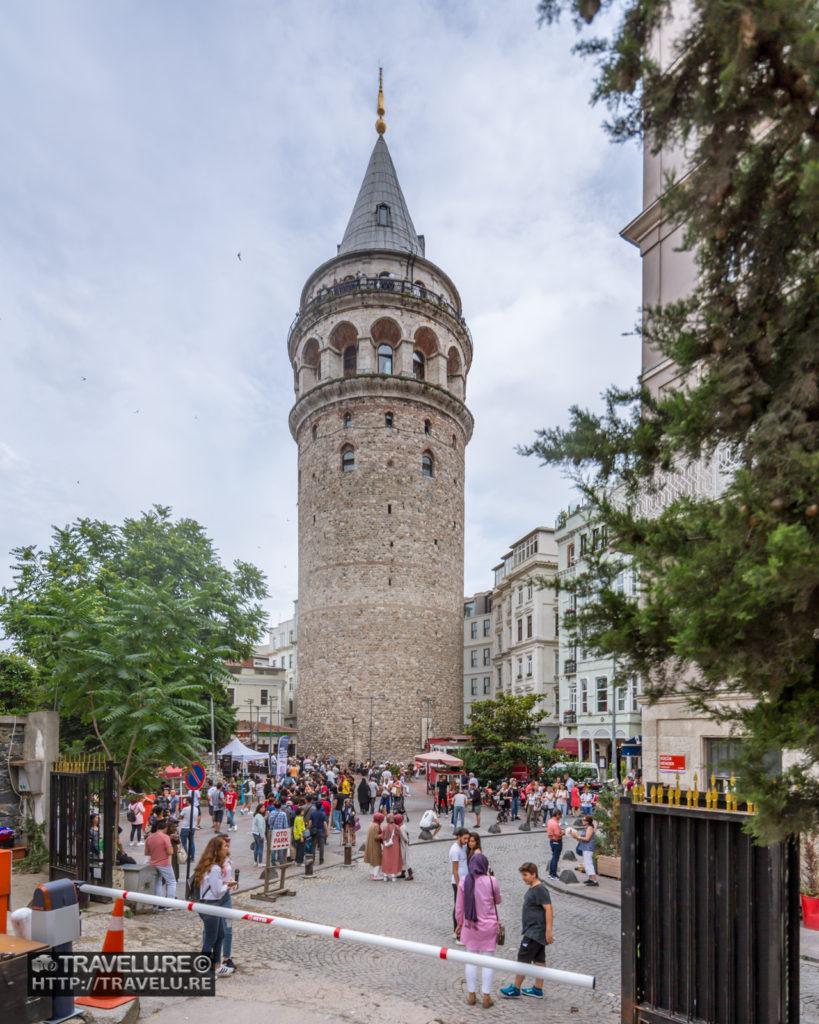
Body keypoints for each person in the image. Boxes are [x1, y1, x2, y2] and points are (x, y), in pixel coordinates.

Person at [500, 862, 554, 999]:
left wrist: (548, 931)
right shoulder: (533, 888)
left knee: (523, 958)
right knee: (539, 960)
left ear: (533, 874)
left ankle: (516, 988)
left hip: (534, 932)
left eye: (525, 875)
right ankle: (537, 989)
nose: (523, 878)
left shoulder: (540, 889)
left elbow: (548, 908)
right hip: (534, 931)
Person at [455, 852, 502, 1008]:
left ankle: (471, 994)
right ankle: (486, 996)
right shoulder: (491, 881)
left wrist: (459, 924)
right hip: (489, 926)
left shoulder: (464, 881)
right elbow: (498, 900)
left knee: (471, 960)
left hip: (471, 926)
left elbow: (459, 907)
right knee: (488, 962)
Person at [193, 836, 237, 976]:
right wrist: (228, 887)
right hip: (211, 904)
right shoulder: (215, 868)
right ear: (217, 850)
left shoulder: (213, 866)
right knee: (211, 938)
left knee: (220, 934)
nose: (226, 848)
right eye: (224, 846)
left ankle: (217, 965)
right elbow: (217, 891)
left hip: (212, 904)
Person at [145, 819, 176, 902]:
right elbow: (170, 852)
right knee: (171, 882)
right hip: (164, 863)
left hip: (153, 862)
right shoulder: (165, 837)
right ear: (165, 829)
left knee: (158, 883)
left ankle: (158, 903)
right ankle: (171, 903)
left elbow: (146, 853)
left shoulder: (149, 837)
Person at [449, 827, 470, 937]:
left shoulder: (463, 847)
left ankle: (461, 930)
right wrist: (459, 886)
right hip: (458, 883)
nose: (466, 841)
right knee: (458, 908)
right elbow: (455, 871)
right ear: (459, 837)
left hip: (465, 881)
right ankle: (456, 932)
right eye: (465, 838)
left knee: (462, 907)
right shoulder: (455, 850)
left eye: (467, 838)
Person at [568, 814, 599, 886]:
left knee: (589, 863)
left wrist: (577, 836)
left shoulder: (589, 828)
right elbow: (594, 830)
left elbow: (587, 838)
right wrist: (574, 836)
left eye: (584, 820)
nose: (582, 821)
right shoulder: (588, 827)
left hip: (588, 848)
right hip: (586, 848)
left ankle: (594, 881)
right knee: (587, 863)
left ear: (587, 822)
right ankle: (591, 878)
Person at [267, 800, 289, 866]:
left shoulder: (272, 813)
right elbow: (285, 825)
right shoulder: (283, 814)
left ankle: (273, 862)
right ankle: (281, 861)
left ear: (274, 806)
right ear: (281, 806)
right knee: (281, 847)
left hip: (273, 831)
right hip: (281, 832)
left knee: (273, 847)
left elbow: (269, 823)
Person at [380, 813, 401, 881]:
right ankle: (393, 875)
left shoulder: (385, 827)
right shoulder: (397, 827)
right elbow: (399, 837)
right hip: (395, 846)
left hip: (387, 846)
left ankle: (385, 875)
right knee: (394, 860)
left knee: (386, 860)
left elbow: (383, 837)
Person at [308, 798, 329, 865]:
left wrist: (309, 828)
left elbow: (310, 822)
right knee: (321, 846)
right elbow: (325, 823)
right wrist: (326, 831)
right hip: (321, 831)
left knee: (313, 847)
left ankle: (312, 860)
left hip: (314, 831)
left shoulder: (312, 813)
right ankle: (321, 859)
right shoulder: (323, 814)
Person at [364, 812, 384, 880]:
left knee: (372, 860)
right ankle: (375, 875)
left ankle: (372, 873)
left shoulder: (372, 824)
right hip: (375, 845)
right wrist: (383, 834)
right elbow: (376, 836)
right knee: (377, 860)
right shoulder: (376, 826)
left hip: (370, 844)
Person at [546, 810, 564, 879]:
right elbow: (558, 835)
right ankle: (553, 874)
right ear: (557, 815)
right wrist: (563, 833)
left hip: (552, 841)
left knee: (553, 857)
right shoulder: (555, 824)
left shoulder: (550, 821)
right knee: (555, 858)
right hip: (557, 841)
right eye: (560, 815)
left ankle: (550, 873)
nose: (561, 816)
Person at [394, 812, 412, 880]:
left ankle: (410, 874)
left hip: (403, 845)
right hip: (403, 844)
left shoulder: (401, 828)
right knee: (403, 859)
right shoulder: (403, 825)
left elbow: (404, 837)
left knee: (405, 859)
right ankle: (403, 873)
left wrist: (407, 841)